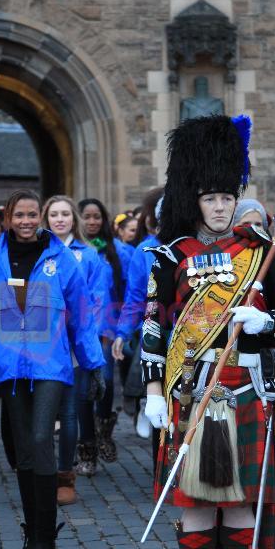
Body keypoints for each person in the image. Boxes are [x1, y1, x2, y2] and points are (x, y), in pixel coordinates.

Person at [142, 114, 275, 549]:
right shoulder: (171, 257)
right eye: (210, 197)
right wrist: (151, 393)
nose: (219, 206)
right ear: (194, 199)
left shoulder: (262, 255)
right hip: (192, 392)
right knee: (194, 503)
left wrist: (265, 324)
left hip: (247, 391)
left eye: (228, 197)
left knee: (239, 502)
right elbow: (152, 325)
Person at [0, 189, 105, 549]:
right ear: (8, 217)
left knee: (40, 439)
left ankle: (46, 534)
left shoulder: (60, 257)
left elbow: (82, 315)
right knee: (23, 452)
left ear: (41, 217)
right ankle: (33, 531)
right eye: (18, 214)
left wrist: (93, 362)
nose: (25, 221)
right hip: (10, 366)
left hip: (50, 364)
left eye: (31, 214)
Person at [41, 195, 110, 503]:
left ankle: (65, 470)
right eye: (53, 214)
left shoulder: (89, 255)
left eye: (65, 214)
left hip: (73, 343)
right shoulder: (38, 252)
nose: (59, 219)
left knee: (71, 409)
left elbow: (96, 300)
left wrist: (86, 336)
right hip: (43, 343)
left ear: (73, 219)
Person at [75, 198, 128, 475]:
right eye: (87, 216)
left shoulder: (118, 252)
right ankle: (87, 447)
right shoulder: (72, 251)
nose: (92, 222)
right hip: (80, 329)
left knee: (105, 382)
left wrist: (123, 329)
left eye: (97, 216)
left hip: (107, 328)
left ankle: (103, 429)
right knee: (83, 389)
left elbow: (130, 290)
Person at [112, 189, 163, 444]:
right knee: (159, 412)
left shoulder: (197, 246)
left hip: (195, 335)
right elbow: (134, 298)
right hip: (157, 330)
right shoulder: (145, 249)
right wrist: (121, 333)